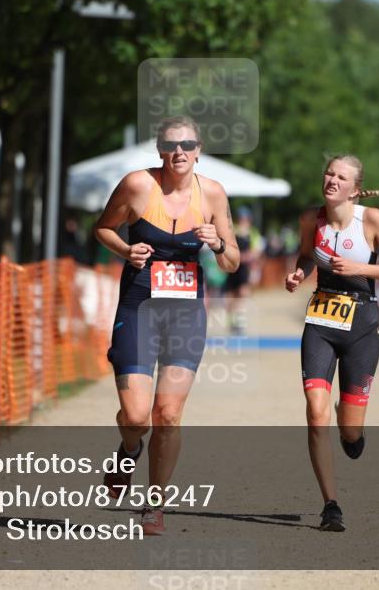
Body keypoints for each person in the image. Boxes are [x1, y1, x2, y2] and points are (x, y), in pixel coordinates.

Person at [93, 116, 240, 535]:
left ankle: (153, 505)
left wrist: (218, 243)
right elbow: (102, 228)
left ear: (199, 149)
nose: (180, 152)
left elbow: (232, 263)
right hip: (139, 306)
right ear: (160, 150)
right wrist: (126, 249)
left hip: (185, 313)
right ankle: (129, 448)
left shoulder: (212, 193)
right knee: (138, 416)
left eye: (187, 144)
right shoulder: (138, 186)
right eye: (171, 145)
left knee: (169, 414)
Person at [284, 154, 379, 532]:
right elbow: (307, 254)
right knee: (315, 411)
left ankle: (351, 429)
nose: (332, 180)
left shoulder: (371, 220)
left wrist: (361, 268)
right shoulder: (311, 219)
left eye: (341, 177)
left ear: (355, 189)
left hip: (360, 324)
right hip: (321, 321)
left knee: (350, 431)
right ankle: (331, 505)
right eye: (328, 173)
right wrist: (298, 273)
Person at [223, 207, 261, 334]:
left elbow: (256, 252)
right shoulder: (233, 231)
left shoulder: (253, 233)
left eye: (245, 219)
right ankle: (232, 321)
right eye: (241, 218)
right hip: (232, 268)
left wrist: (247, 259)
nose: (243, 221)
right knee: (230, 297)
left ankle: (239, 322)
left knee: (243, 294)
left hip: (244, 269)